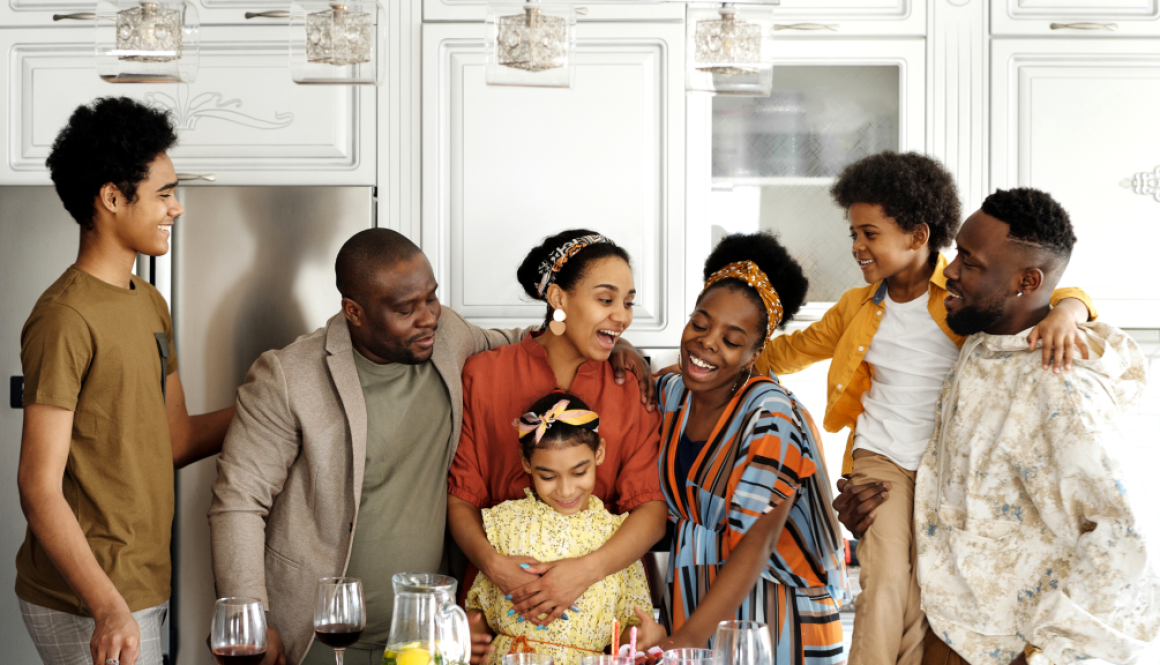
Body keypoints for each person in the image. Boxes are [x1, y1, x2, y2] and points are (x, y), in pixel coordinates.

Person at [209, 228, 656, 665]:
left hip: (425, 631)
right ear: (355, 312)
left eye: (432, 298)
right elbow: (238, 503)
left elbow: (539, 341)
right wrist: (252, 617)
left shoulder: (448, 339)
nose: (428, 318)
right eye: (407, 309)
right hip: (319, 630)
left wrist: (619, 344)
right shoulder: (288, 376)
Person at [750, 153, 1095, 665]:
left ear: (916, 236)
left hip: (946, 466)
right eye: (853, 233)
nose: (856, 246)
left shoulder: (962, 294)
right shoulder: (856, 306)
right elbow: (786, 352)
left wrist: (1071, 309)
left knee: (929, 588)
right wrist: (719, 357)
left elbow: (1041, 286)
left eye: (869, 234)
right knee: (886, 577)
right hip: (881, 458)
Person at [842, 188, 1159, 665]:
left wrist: (1046, 657)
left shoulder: (1058, 388)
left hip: (1003, 653)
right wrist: (871, 516)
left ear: (1025, 281)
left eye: (968, 262)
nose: (947, 270)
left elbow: (1132, 542)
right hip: (943, 634)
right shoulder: (981, 344)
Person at [17, 97, 236, 665]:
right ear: (112, 198)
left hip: (142, 582)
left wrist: (273, 405)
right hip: (88, 597)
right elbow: (38, 487)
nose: (177, 208)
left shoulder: (150, 304)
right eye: (164, 193)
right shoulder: (64, 317)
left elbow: (177, 440)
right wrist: (107, 606)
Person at [448, 230, 668, 640]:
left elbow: (651, 512)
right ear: (558, 299)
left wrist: (585, 572)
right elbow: (462, 498)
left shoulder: (630, 388)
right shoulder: (484, 375)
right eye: (606, 299)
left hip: (600, 623)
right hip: (495, 621)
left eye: (628, 302)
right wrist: (495, 569)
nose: (622, 315)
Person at [649, 232, 849, 663]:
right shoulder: (669, 393)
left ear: (756, 352)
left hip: (776, 622)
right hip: (693, 602)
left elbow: (755, 545)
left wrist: (682, 642)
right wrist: (623, 352)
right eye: (700, 324)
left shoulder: (770, 415)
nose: (707, 342)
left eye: (732, 340)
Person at [464, 392, 662, 665]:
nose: (566, 490)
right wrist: (472, 633)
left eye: (579, 472)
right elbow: (479, 609)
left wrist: (644, 638)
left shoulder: (619, 537)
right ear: (526, 463)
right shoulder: (503, 523)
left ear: (599, 453)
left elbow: (631, 626)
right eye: (547, 476)